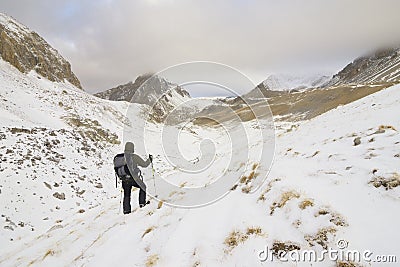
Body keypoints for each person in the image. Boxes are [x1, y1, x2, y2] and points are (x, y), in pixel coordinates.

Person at [122, 142, 153, 213]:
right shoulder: (134, 157)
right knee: (143, 187)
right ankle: (142, 203)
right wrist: (150, 159)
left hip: (124, 179)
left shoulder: (121, 157)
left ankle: (126, 210)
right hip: (133, 178)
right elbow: (144, 164)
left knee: (127, 194)